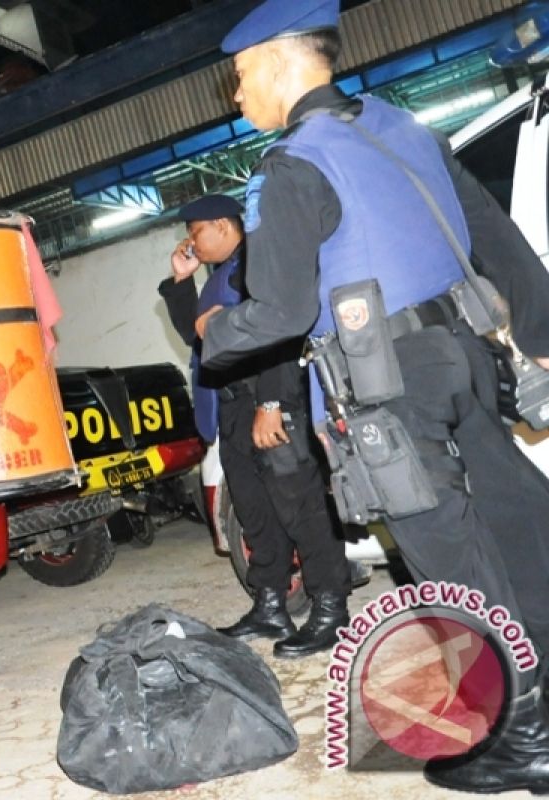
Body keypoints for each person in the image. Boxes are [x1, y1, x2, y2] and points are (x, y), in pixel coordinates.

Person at [196, 0, 549, 791]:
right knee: (512, 516)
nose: (239, 94)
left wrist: (215, 336)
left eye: (243, 76)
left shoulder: (291, 167)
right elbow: (496, 235)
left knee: (446, 550)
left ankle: (521, 735)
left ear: (283, 63)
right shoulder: (402, 128)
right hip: (462, 352)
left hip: (385, 377)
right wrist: (540, 334)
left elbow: (283, 311)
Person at [159, 193, 353, 658]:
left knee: (300, 505)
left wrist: (272, 402)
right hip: (233, 408)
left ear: (225, 226)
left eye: (197, 232)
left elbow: (282, 335)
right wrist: (181, 283)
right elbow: (198, 338)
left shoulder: (261, 263)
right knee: (255, 512)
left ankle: (330, 606)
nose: (191, 242)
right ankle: (270, 604)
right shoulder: (217, 277)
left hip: (268, 399)